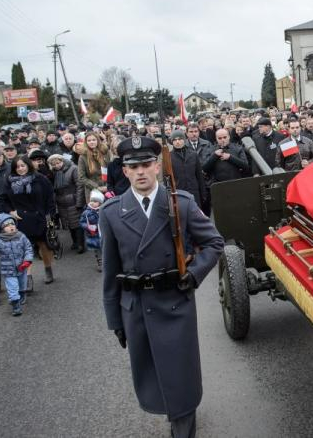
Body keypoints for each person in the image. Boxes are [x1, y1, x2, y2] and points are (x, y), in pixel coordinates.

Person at [100, 136, 223, 438]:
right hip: (137, 307)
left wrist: (193, 274)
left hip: (174, 302)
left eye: (146, 164)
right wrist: (115, 321)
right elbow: (111, 272)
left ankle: (183, 427)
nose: (141, 171)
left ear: (157, 166)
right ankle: (175, 416)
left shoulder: (180, 203)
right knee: (153, 377)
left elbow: (213, 242)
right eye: (133, 166)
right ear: (124, 171)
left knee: (181, 378)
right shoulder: (112, 212)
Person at [4, 155, 57, 288]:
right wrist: (11, 211)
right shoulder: (9, 181)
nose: (20, 169)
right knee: (23, 250)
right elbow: (3, 199)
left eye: (23, 165)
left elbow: (50, 197)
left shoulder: (40, 179)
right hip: (21, 219)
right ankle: (27, 278)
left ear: (28, 165)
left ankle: (48, 269)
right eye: (17, 167)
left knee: (44, 245)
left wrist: (50, 215)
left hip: (40, 217)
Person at [48, 154, 84, 252]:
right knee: (68, 224)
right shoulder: (54, 173)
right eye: (54, 164)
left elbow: (79, 185)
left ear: (62, 161)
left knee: (77, 223)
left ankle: (81, 244)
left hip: (73, 199)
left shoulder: (73, 169)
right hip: (61, 202)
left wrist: (79, 201)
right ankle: (75, 242)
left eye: (58, 163)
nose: (57, 165)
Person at [169, 130, 206, 208]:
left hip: (194, 192)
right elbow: (167, 180)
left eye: (180, 139)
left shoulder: (193, 154)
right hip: (179, 193)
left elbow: (199, 176)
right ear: (172, 142)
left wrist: (203, 193)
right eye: (175, 140)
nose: (177, 142)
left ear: (184, 140)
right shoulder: (169, 157)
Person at [78, 132, 108, 203]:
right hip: (92, 190)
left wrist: (108, 186)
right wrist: (97, 187)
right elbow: (81, 177)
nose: (92, 142)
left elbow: (110, 170)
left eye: (94, 140)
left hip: (107, 188)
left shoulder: (105, 152)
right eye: (89, 140)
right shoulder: (83, 156)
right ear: (86, 142)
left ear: (97, 140)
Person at [80, 189, 103, 272]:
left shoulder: (103, 210)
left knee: (106, 249)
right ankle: (100, 263)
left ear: (100, 202)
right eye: (92, 200)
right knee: (97, 250)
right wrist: (88, 227)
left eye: (96, 201)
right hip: (94, 235)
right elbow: (82, 222)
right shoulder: (86, 213)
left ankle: (107, 262)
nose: (93, 203)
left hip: (104, 234)